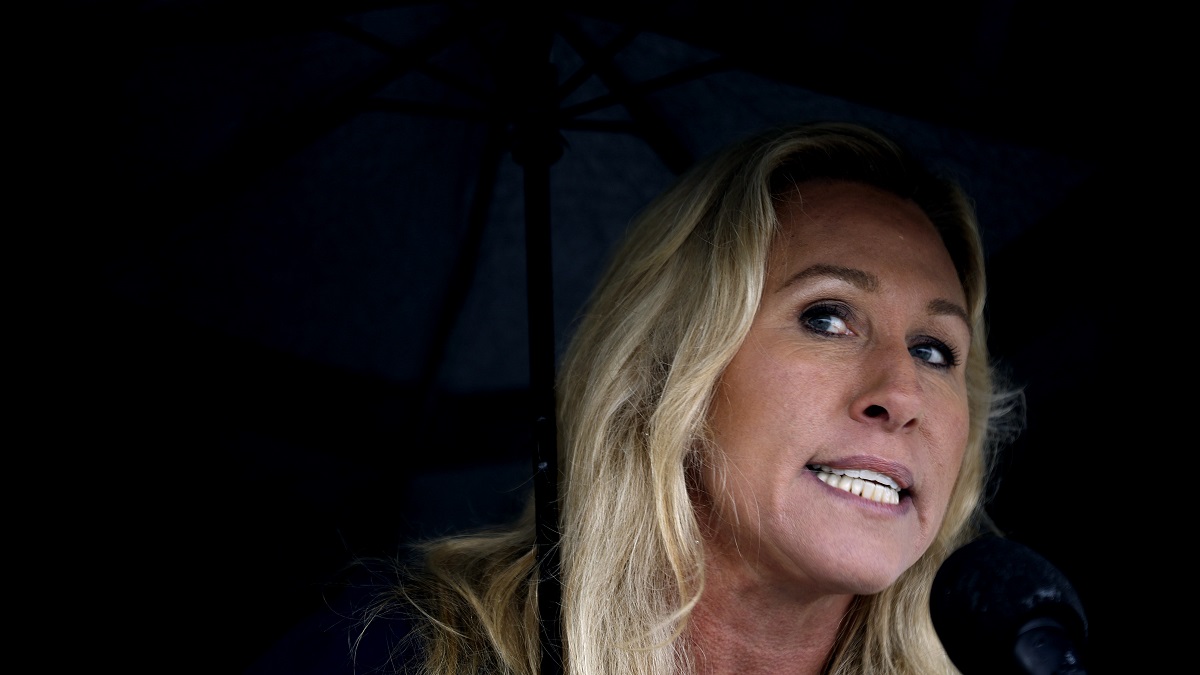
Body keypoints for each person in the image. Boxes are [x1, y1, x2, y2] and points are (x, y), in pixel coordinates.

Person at [249, 120, 1024, 675]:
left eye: (935, 350)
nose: (900, 391)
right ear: (667, 370)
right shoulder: (392, 654)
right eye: (826, 317)